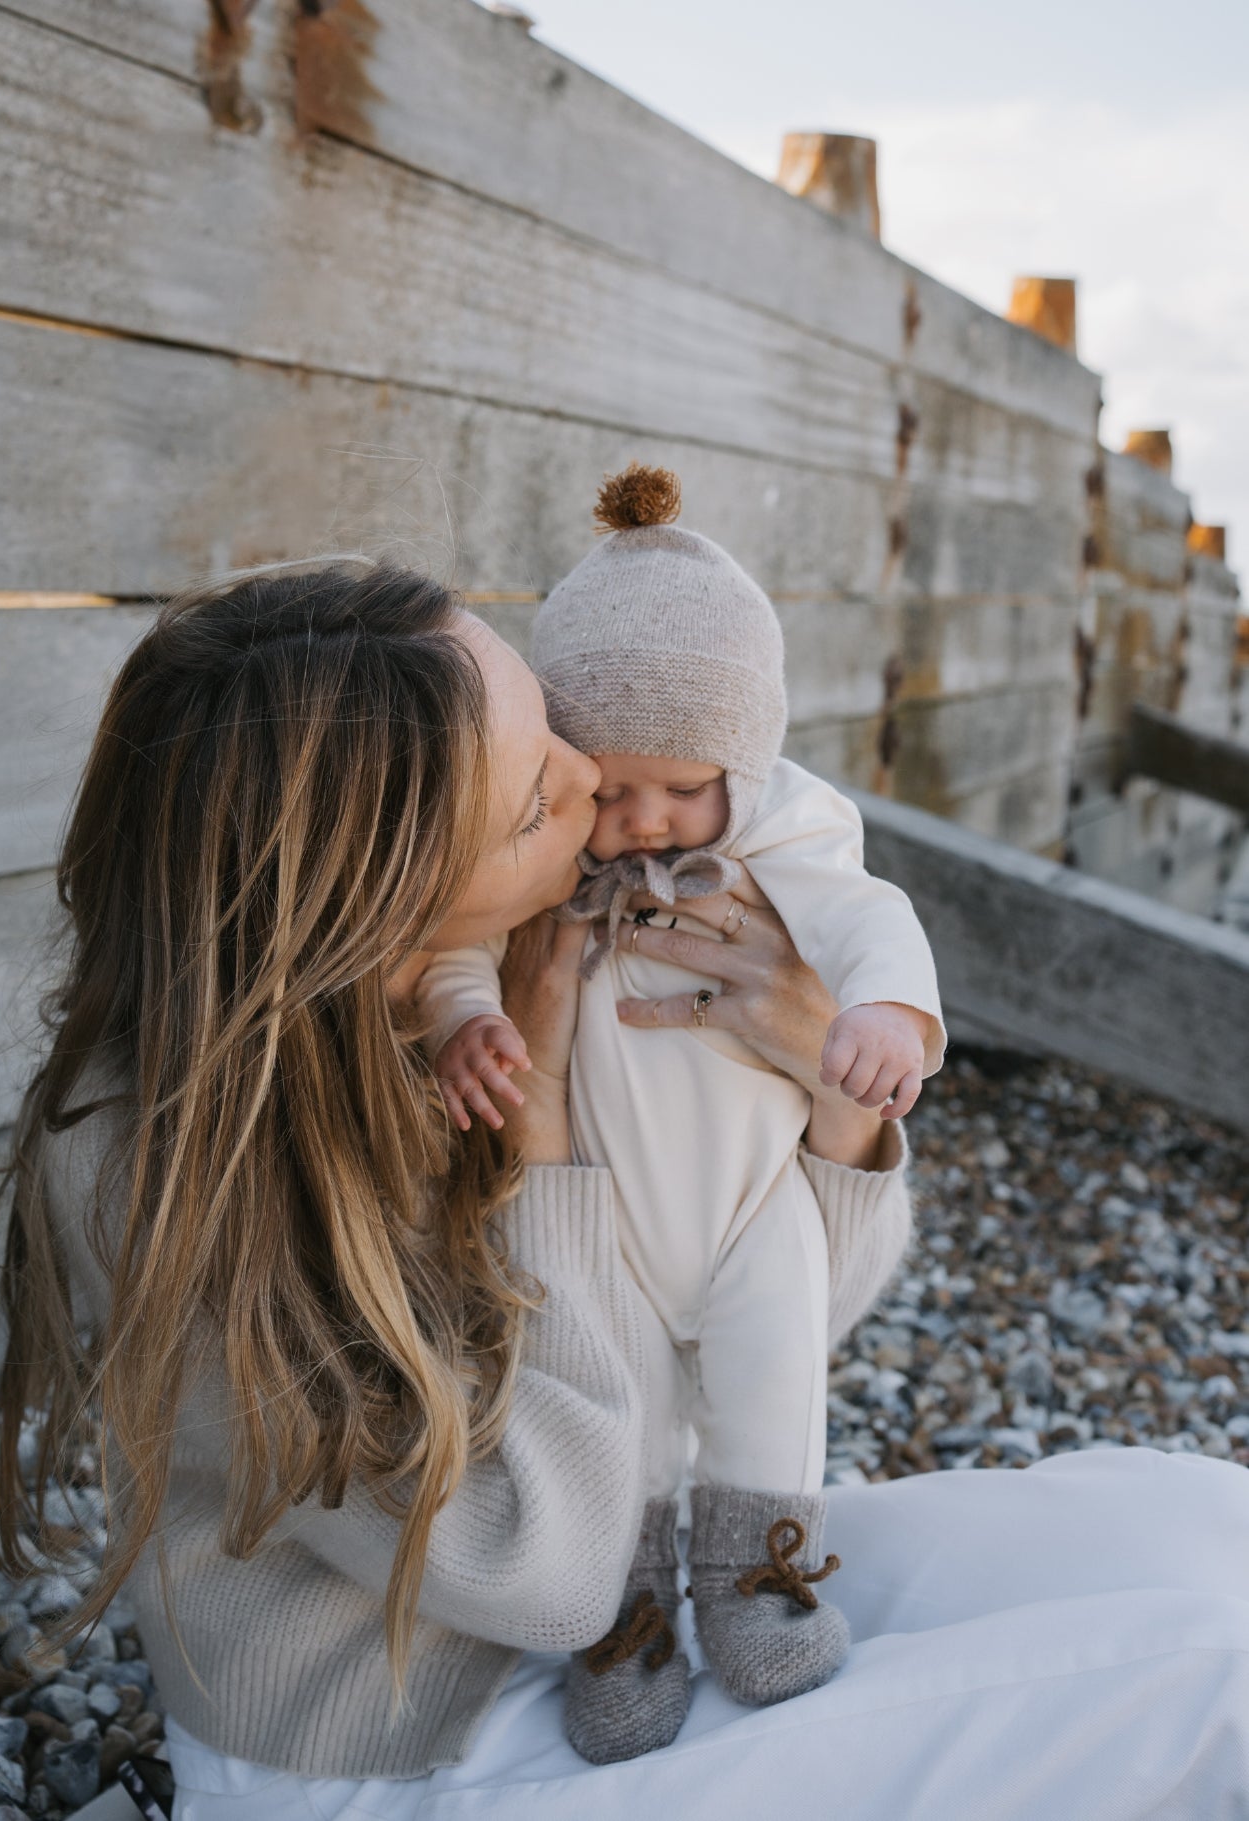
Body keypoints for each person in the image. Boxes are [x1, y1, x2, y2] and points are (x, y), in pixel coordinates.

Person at [0, 557, 915, 1801]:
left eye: (550, 725)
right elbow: (553, 1565)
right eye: (539, 798)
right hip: (398, 1722)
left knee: (1160, 1541)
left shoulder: (482, 965)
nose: (598, 780)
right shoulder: (175, 1170)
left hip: (596, 1581)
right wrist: (540, 1129)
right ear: (381, 904)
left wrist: (831, 1095)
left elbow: (753, 1330)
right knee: (1170, 1668)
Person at [416, 464, 946, 1760]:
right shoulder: (544, 853)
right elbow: (451, 950)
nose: (646, 822)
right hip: (598, 1212)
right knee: (617, 1412)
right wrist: (462, 1022)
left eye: (684, 789)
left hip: (758, 1205)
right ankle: (624, 1608)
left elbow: (871, 921)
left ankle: (763, 1581)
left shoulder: (790, 832)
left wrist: (881, 1018)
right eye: (616, 787)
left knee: (772, 1392)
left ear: (743, 758)